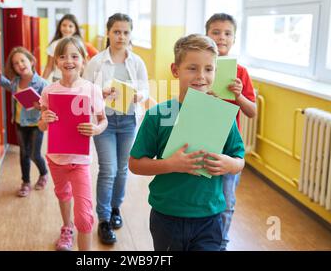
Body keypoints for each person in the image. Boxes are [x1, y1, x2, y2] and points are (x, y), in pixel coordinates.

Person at [129, 34, 245, 251]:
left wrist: (230, 164)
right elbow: (135, 164)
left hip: (210, 217)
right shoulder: (158, 115)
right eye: (192, 68)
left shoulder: (221, 115)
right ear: (175, 70)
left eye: (209, 69)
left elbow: (239, 159)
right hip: (167, 216)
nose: (201, 76)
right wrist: (170, 164)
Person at [83, 13, 149, 245]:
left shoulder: (137, 61)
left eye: (126, 32)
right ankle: (102, 219)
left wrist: (137, 95)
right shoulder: (97, 62)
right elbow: (85, 90)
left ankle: (115, 209)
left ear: (131, 34)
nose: (121, 36)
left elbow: (146, 90)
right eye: (117, 32)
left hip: (129, 120)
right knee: (108, 169)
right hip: (105, 123)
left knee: (122, 169)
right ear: (108, 33)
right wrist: (99, 94)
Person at [38, 36, 108, 251]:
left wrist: (96, 129)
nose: (69, 60)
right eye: (63, 56)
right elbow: (41, 126)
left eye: (74, 56)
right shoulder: (49, 90)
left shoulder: (91, 89)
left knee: (85, 216)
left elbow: (103, 120)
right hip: (56, 159)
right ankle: (66, 228)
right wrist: (44, 120)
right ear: (56, 61)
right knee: (62, 194)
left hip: (80, 161)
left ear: (84, 60)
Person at [206, 13, 257, 251]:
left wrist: (237, 95)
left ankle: (221, 243)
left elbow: (252, 111)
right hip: (203, 139)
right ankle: (202, 240)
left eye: (227, 33)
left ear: (234, 39)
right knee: (202, 198)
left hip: (229, 146)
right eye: (216, 32)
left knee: (227, 200)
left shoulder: (241, 72)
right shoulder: (200, 68)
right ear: (207, 35)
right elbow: (184, 104)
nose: (221, 37)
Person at [0, 47, 49, 197]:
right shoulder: (16, 82)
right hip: (20, 123)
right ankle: (25, 182)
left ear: (31, 61)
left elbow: (49, 106)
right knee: (23, 153)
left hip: (35, 124)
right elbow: (9, 87)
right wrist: (0, 80)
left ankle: (44, 173)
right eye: (15, 63)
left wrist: (40, 107)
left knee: (34, 153)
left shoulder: (41, 84)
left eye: (22, 60)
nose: (20, 64)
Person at [42, 14, 98, 81]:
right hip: (58, 79)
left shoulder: (79, 44)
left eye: (70, 26)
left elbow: (84, 64)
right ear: (59, 27)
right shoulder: (54, 44)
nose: (67, 28)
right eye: (64, 25)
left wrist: (86, 80)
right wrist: (42, 82)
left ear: (75, 29)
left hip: (76, 79)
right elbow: (49, 67)